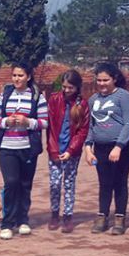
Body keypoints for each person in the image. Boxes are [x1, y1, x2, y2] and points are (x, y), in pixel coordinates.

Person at [0, 63, 48, 240]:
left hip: (27, 147)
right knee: (11, 182)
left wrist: (27, 122)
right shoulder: (4, 95)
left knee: (25, 184)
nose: (17, 79)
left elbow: (44, 122)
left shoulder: (37, 96)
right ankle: (7, 223)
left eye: (21, 75)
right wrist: (6, 122)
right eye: (14, 75)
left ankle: (23, 220)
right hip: (7, 147)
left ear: (28, 77)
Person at [83, 62, 129, 235]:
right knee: (104, 183)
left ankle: (120, 217)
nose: (102, 84)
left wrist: (119, 146)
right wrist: (88, 148)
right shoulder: (93, 100)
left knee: (119, 182)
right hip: (101, 148)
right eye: (99, 80)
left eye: (106, 80)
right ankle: (102, 216)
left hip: (121, 147)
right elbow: (91, 126)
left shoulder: (123, 96)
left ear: (114, 79)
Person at [45, 69, 88, 233]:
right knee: (54, 184)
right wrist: (53, 150)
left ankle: (68, 216)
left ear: (77, 87)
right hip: (55, 149)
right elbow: (49, 127)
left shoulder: (82, 104)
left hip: (72, 152)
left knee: (69, 184)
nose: (67, 90)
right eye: (64, 86)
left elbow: (82, 131)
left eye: (71, 87)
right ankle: (54, 214)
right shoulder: (54, 99)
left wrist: (71, 150)